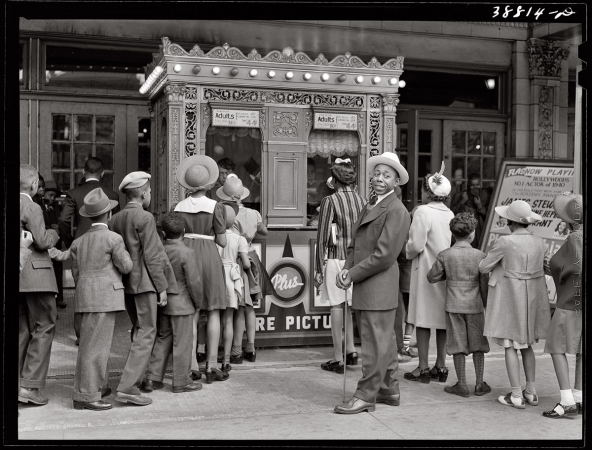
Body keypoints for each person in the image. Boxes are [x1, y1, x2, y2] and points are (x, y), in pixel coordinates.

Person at [334, 152, 410, 414]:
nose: (379, 178)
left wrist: (351, 273)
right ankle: (389, 389)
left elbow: (384, 256)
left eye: (386, 175)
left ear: (396, 180)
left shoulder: (397, 210)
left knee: (374, 343)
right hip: (368, 283)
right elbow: (355, 242)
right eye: (377, 173)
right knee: (383, 341)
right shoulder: (372, 203)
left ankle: (366, 395)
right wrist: (347, 269)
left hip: (378, 285)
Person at [110, 171, 177, 406]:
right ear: (143, 194)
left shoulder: (114, 219)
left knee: (139, 331)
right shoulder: (145, 218)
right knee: (147, 332)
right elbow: (152, 256)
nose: (149, 194)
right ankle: (128, 387)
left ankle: (132, 379)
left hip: (126, 283)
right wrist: (162, 287)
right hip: (146, 283)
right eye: (148, 191)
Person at [479, 200, 551, 409]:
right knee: (527, 345)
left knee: (510, 346)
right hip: (532, 301)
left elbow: (484, 267)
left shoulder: (505, 242)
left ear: (510, 221)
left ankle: (516, 394)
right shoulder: (540, 242)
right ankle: (531, 391)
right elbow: (547, 267)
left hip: (509, 299)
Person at [69, 188, 133, 411]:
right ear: (108, 214)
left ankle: (97, 387)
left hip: (85, 295)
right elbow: (126, 266)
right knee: (95, 347)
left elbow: (76, 273)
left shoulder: (78, 241)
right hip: (105, 296)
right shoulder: (113, 238)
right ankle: (86, 395)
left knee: (91, 344)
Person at [174, 154, 229, 383]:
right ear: (208, 184)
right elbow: (223, 241)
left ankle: (193, 365)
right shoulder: (216, 206)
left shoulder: (177, 207)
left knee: (192, 312)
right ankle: (212, 365)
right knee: (214, 310)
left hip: (186, 254)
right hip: (208, 254)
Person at [427, 213, 491, 398]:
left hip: (454, 305)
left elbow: (432, 277)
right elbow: (484, 285)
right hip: (475, 306)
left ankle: (461, 384)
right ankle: (479, 384)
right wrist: (486, 305)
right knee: (478, 344)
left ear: (453, 234)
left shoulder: (445, 255)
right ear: (472, 234)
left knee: (457, 344)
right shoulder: (480, 255)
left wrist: (448, 275)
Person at [58, 157, 121, 343]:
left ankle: (81, 334)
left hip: (81, 244)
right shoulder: (112, 195)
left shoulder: (73, 193)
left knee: (81, 290)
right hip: (106, 245)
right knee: (104, 285)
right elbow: (115, 223)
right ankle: (101, 332)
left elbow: (63, 220)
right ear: (102, 173)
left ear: (83, 172)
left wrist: (71, 241)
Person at [404, 163, 454, 384]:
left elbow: (416, 244)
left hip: (425, 269)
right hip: (444, 271)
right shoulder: (449, 213)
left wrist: (406, 250)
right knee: (441, 321)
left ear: (427, 191)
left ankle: (423, 367)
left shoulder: (423, 211)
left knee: (422, 318)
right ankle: (441, 366)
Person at [315, 158, 366, 375]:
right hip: (358, 259)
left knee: (336, 305)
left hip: (336, 258)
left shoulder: (330, 201)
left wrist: (318, 267)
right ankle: (352, 351)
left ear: (335, 180)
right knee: (350, 306)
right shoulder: (363, 200)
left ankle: (338, 358)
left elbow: (323, 236)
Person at [142, 213, 203, 394]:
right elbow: (194, 282)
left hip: (163, 302)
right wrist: (198, 303)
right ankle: (182, 381)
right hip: (182, 304)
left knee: (162, 339)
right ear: (183, 232)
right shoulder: (187, 252)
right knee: (182, 344)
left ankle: (152, 378)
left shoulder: (159, 250)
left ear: (163, 233)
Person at [216, 174, 272, 364]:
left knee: (239, 307)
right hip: (252, 256)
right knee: (250, 307)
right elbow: (264, 231)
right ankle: (251, 348)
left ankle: (236, 350)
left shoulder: (228, 213)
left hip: (237, 260)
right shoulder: (253, 213)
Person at [19, 164, 60, 406]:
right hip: (37, 275)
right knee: (44, 326)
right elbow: (43, 241)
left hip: (19, 274)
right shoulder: (31, 205)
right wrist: (54, 233)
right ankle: (30, 387)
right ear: (34, 185)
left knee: (22, 329)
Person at [542, 193, 583, 418]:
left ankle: (567, 401)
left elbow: (572, 269)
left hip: (570, 300)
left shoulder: (574, 238)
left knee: (556, 347)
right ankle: (579, 396)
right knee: (580, 351)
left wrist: (554, 268)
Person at [217, 204, 250, 376]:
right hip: (231, 278)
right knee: (228, 321)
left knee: (213, 318)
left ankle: (210, 357)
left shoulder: (213, 237)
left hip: (216, 276)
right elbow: (246, 264)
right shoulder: (239, 239)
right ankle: (226, 360)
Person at [392, 185, 416, 362]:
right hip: (403, 269)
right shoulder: (403, 215)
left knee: (401, 311)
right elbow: (405, 249)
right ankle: (401, 346)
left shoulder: (399, 215)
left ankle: (401, 346)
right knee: (404, 312)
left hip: (400, 269)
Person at [42, 180, 67, 309]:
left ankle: (59, 298)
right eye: (50, 195)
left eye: (53, 196)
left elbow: (61, 222)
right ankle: (50, 302)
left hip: (56, 243)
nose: (52, 198)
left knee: (58, 270)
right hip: (45, 244)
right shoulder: (40, 206)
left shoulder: (57, 207)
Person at [450, 173, 490, 249]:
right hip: (462, 232)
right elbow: (451, 214)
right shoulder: (460, 195)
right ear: (468, 185)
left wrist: (480, 206)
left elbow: (490, 217)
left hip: (479, 233)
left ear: (481, 184)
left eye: (477, 185)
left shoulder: (486, 197)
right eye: (472, 185)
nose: (475, 188)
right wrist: (462, 201)